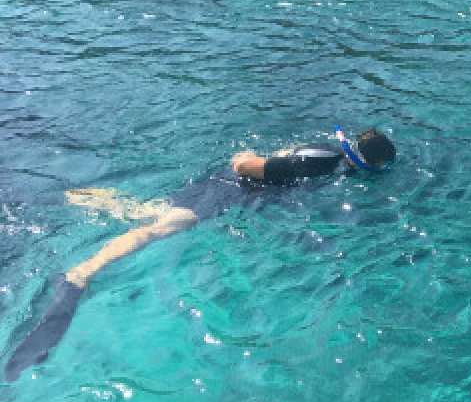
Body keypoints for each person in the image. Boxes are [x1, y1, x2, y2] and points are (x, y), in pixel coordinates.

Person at [4, 126, 396, 381]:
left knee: (151, 214)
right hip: (228, 190)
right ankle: (82, 273)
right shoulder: (323, 161)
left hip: (231, 192)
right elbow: (247, 164)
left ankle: (71, 197)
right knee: (161, 228)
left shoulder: (329, 160)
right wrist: (252, 162)